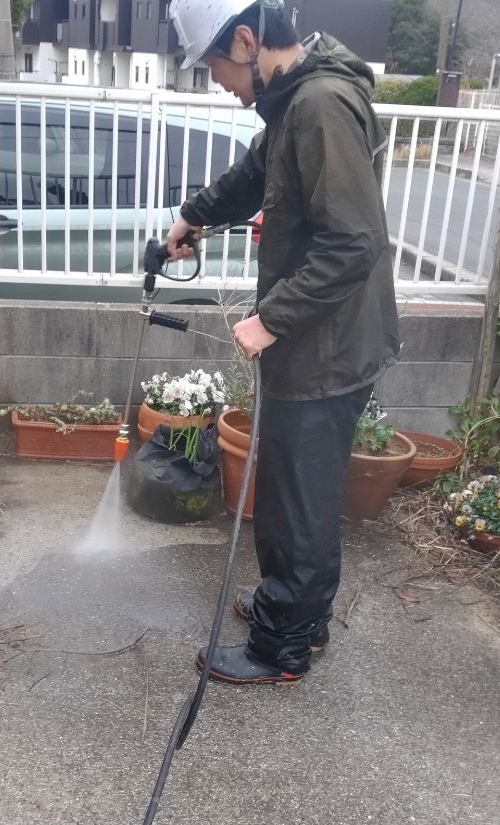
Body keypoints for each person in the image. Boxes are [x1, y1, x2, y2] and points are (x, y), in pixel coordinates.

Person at [166, 0, 400, 685]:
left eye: (214, 68)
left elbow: (354, 241)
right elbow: (253, 179)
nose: (218, 84)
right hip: (320, 336)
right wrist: (192, 216)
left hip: (324, 344)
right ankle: (300, 614)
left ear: (246, 40)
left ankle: (281, 647)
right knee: (301, 488)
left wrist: (271, 319)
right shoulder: (295, 102)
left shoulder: (320, 105)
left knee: (296, 500)